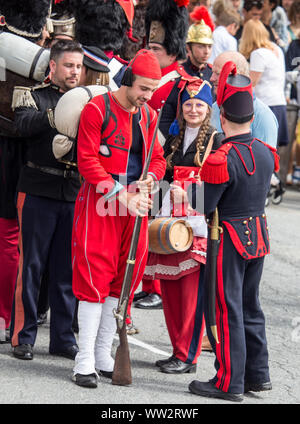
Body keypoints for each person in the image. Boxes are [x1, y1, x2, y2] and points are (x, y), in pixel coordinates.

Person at [71, 49, 166, 388]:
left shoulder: (149, 116)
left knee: (123, 282)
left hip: (135, 210)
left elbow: (158, 160)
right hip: (101, 206)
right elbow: (87, 162)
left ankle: (101, 354)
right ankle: (83, 360)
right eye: (143, 89)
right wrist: (121, 193)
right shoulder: (97, 109)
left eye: (152, 90)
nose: (148, 96)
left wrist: (152, 179)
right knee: (93, 279)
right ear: (127, 80)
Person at [188, 60, 278, 402]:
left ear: (222, 117)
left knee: (228, 309)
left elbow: (204, 206)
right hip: (258, 234)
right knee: (251, 306)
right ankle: (258, 375)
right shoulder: (266, 154)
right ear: (251, 117)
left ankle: (229, 381)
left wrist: (188, 192)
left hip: (228, 238)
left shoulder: (221, 158)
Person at [10, 39, 84, 361]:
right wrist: (55, 116)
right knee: (31, 267)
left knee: (65, 270)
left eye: (79, 67)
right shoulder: (33, 96)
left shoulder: (87, 103)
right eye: (69, 65)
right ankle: (23, 336)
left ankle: (63, 338)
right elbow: (22, 125)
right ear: (53, 66)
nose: (75, 72)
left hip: (70, 194)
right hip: (37, 188)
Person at [143, 77, 223, 373]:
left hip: (197, 227)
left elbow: (220, 187)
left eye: (199, 104)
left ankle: (188, 356)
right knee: (171, 291)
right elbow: (161, 177)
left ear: (209, 108)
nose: (193, 109)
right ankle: (177, 349)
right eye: (188, 104)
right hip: (169, 225)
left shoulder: (217, 139)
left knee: (190, 295)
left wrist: (189, 194)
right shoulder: (173, 139)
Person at [0, 0, 52, 343]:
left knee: (11, 237)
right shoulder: (48, 56)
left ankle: (9, 314)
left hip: (13, 148)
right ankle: (13, 315)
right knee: (17, 238)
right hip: (28, 150)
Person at [133, 0, 190, 310]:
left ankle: (154, 285)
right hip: (140, 152)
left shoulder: (177, 80)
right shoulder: (146, 72)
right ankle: (144, 281)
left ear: (170, 51)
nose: (149, 51)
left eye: (156, 48)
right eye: (149, 45)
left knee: (154, 221)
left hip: (162, 157)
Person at [210, 51, 278, 147]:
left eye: (218, 73)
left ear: (237, 76)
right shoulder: (214, 108)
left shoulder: (262, 115)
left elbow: (264, 159)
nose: (211, 78)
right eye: (212, 72)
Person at [239, 19, 289, 147]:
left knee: (263, 150)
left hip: (266, 105)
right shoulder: (276, 49)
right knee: (274, 152)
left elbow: (251, 83)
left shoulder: (258, 53)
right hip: (279, 103)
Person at [184, 6, 214, 81]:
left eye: (209, 47)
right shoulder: (179, 74)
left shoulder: (213, 73)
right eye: (201, 46)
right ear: (188, 47)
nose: (207, 52)